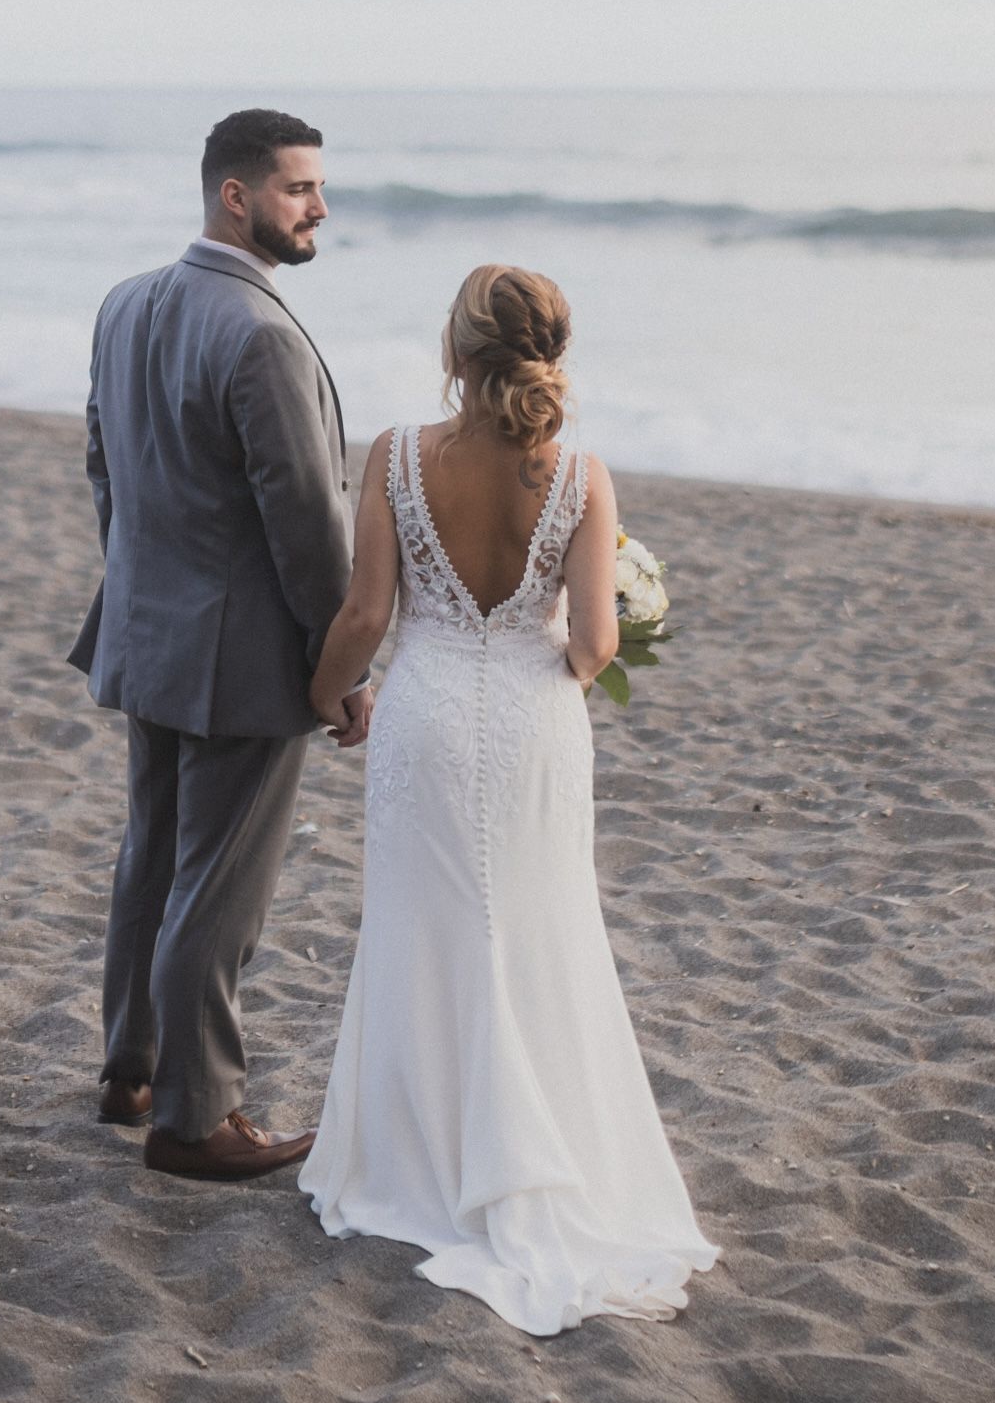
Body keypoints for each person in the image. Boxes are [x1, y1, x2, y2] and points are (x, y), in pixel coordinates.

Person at [298, 264, 717, 1333]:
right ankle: (539, 1158)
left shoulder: (395, 454)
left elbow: (365, 610)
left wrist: (325, 689)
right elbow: (589, 645)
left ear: (456, 348)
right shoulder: (579, 475)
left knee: (420, 927)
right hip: (534, 726)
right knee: (536, 932)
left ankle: (418, 1160)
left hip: (425, 713)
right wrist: (572, 647)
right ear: (550, 351)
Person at [68, 108, 369, 1182]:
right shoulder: (260, 334)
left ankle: (130, 1068)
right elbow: (303, 521)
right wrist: (340, 665)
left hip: (146, 631)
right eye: (297, 188)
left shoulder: (123, 304)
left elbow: (104, 462)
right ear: (234, 196)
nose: (318, 207)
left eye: (318, 187)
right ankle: (195, 1120)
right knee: (216, 886)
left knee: (151, 856)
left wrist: (140, 582)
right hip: (240, 658)